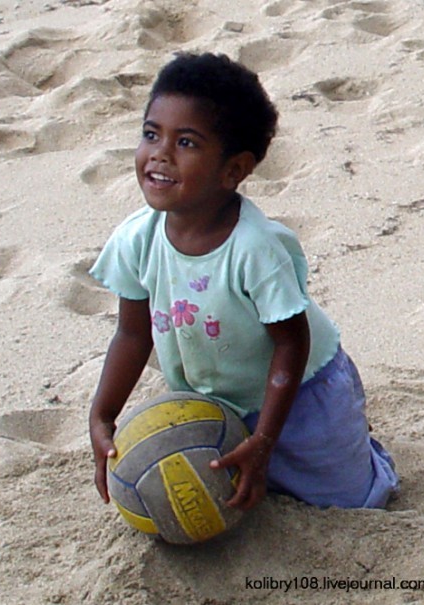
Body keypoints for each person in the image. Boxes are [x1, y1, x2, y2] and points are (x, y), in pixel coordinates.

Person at [89, 52, 399, 512]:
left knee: (353, 501)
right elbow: (132, 335)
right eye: (151, 134)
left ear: (234, 170)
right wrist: (102, 414)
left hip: (301, 394)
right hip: (212, 400)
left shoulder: (255, 249)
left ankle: (361, 447)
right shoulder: (136, 239)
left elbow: (291, 345)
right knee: (213, 495)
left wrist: (266, 438)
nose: (160, 154)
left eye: (187, 143)